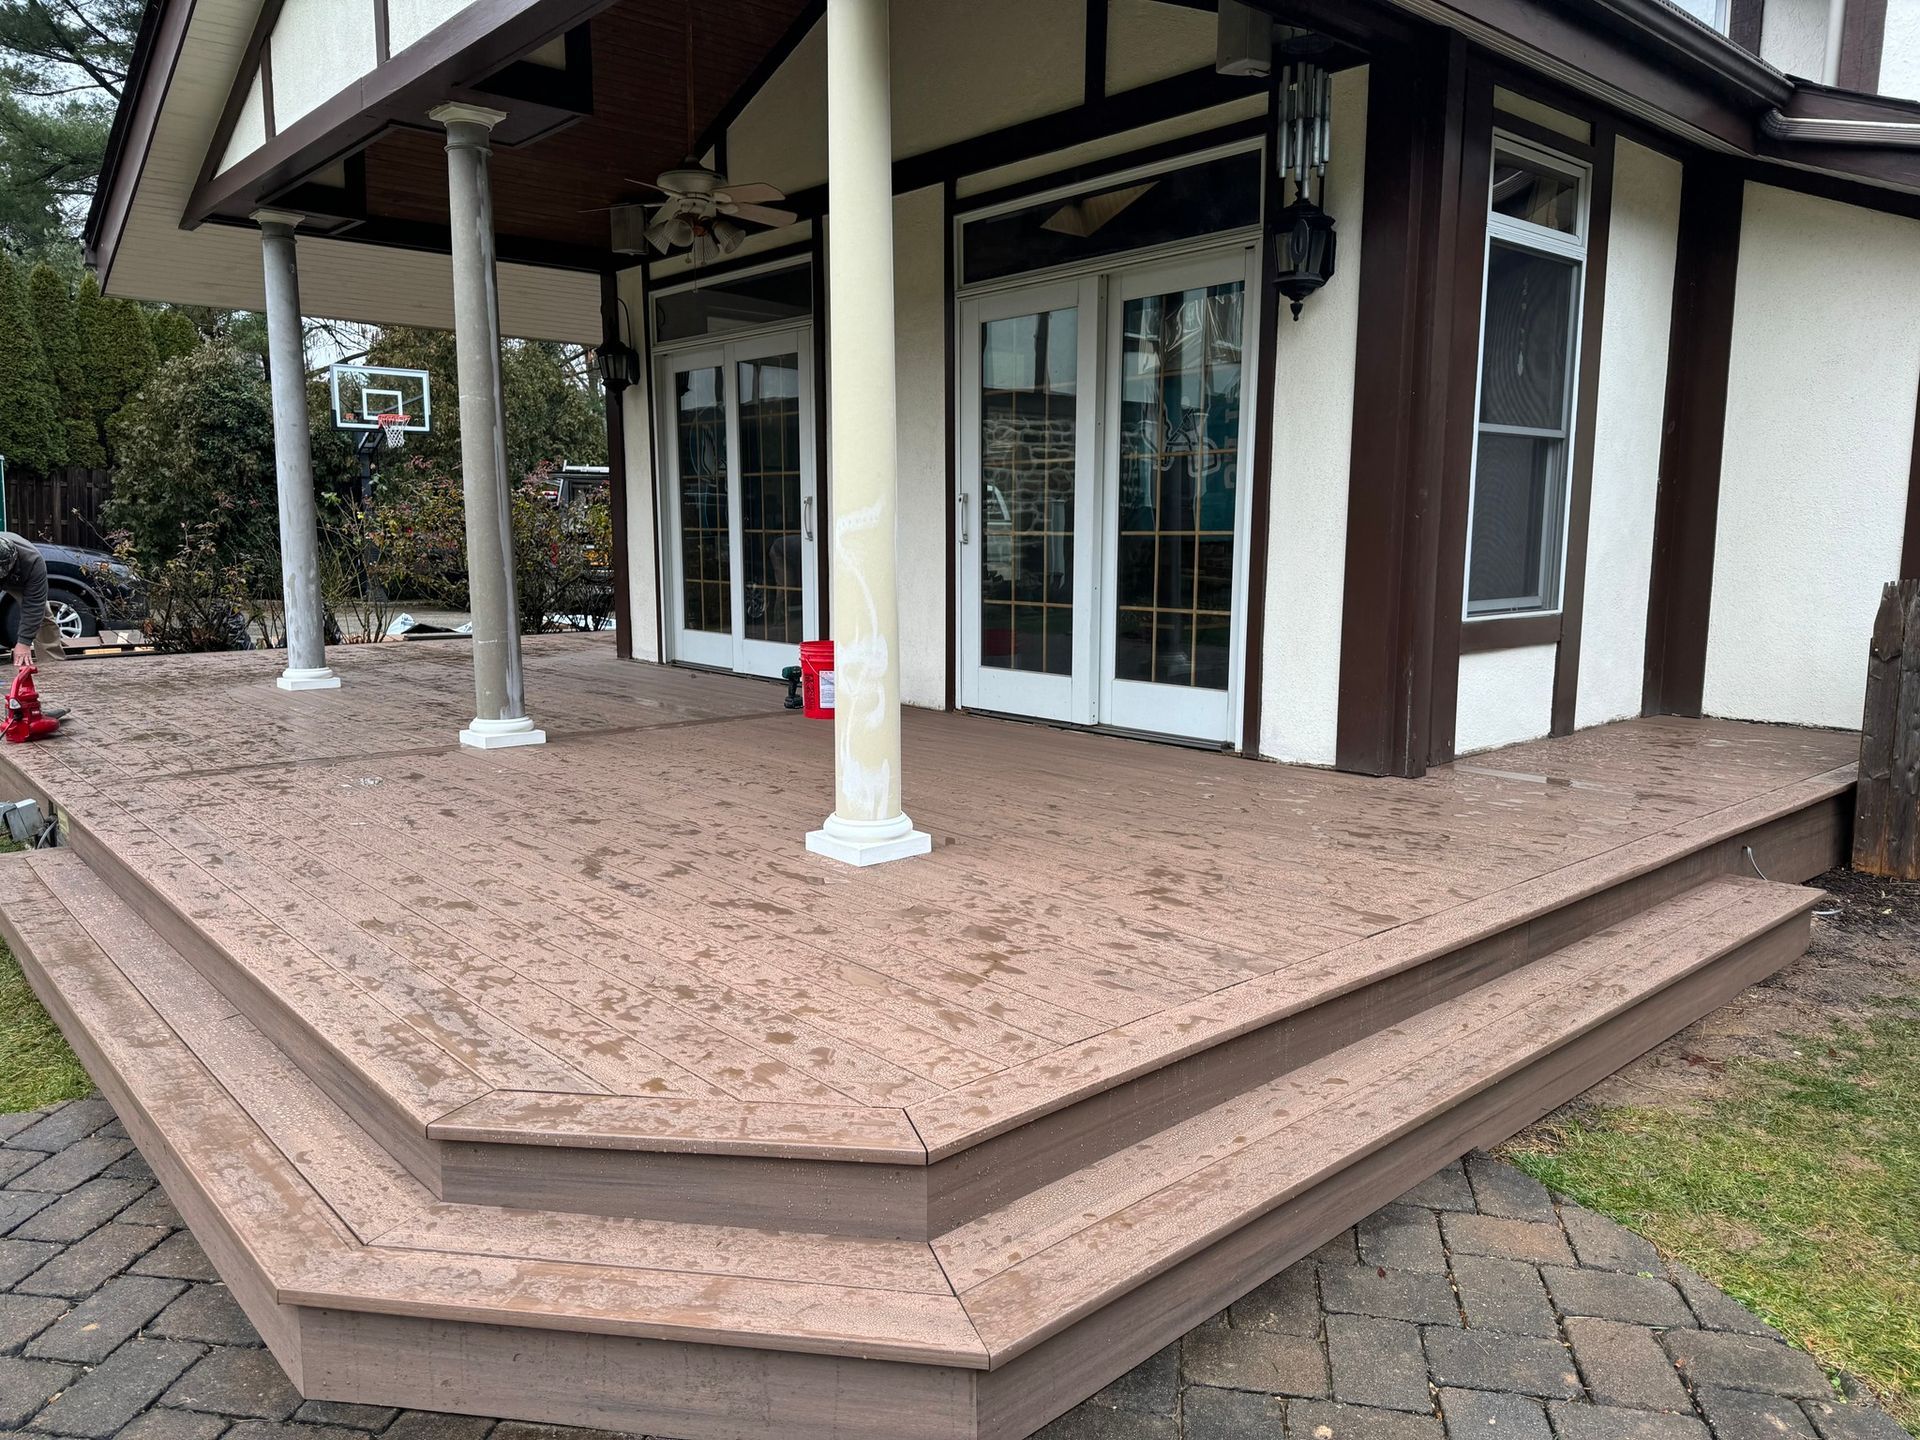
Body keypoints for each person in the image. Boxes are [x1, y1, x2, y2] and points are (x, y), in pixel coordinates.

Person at [0, 532, 49, 670]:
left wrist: (24, 643)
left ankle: (52, 664)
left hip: (21, 578)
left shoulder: (33, 562)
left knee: (44, 616)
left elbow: (34, 604)